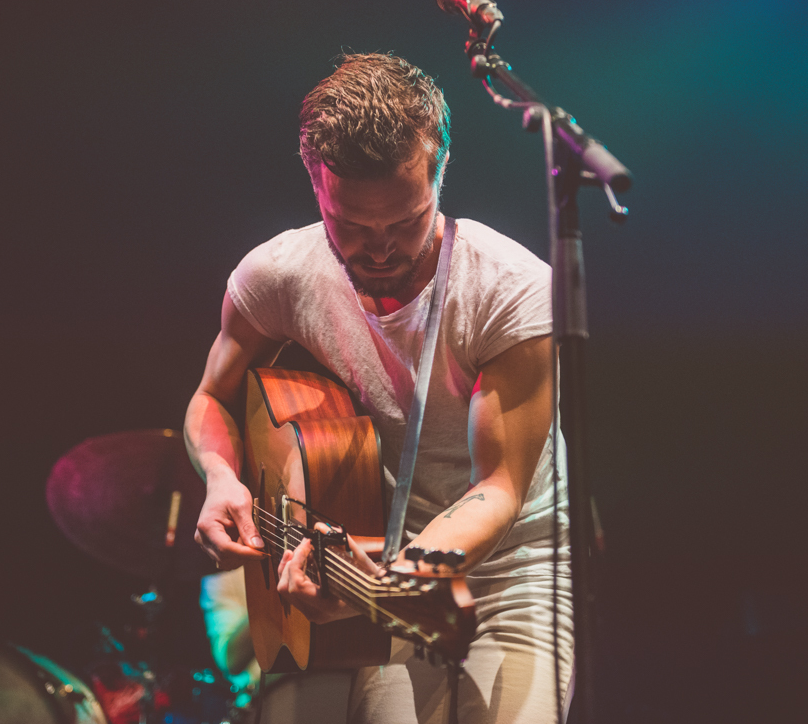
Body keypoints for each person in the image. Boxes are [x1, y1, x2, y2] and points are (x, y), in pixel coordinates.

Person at [184, 53, 573, 724]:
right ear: (316, 184)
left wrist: (391, 582)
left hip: (512, 569)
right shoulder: (277, 275)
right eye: (354, 228)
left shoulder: (510, 289)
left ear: (440, 171)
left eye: (406, 221)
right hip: (376, 557)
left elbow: (500, 486)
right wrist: (220, 477)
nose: (382, 249)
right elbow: (212, 398)